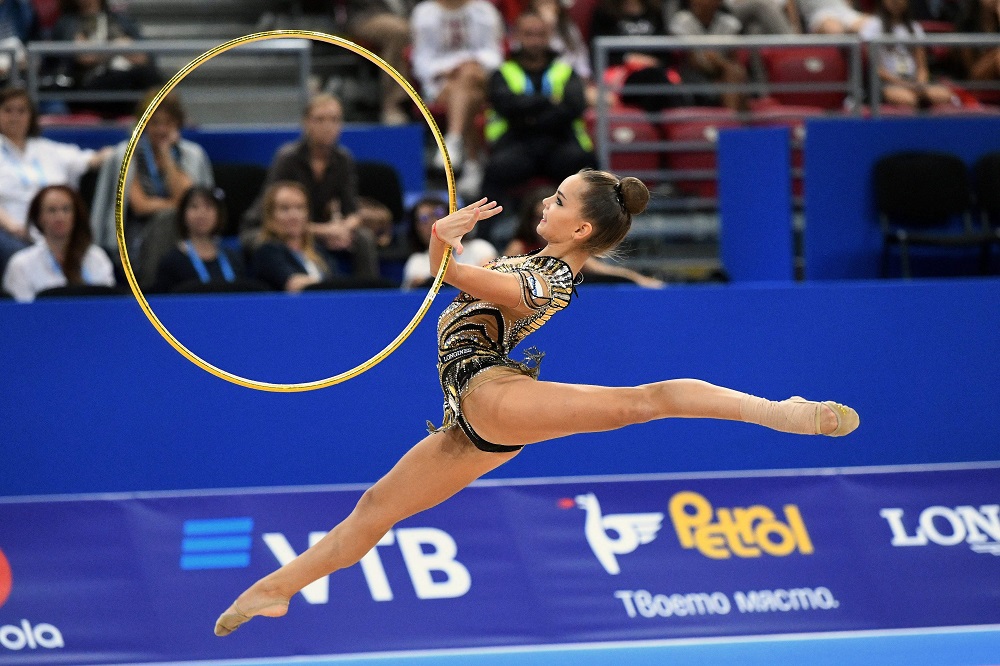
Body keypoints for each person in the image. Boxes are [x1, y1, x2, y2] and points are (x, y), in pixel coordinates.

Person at [212, 168, 860, 635]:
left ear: (580, 225)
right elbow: (455, 273)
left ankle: (784, 412)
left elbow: (477, 283)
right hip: (470, 425)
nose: (544, 203)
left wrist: (443, 242)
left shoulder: (547, 275)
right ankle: (276, 589)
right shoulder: (539, 262)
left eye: (557, 199)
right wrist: (443, 243)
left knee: (647, 400)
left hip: (494, 395)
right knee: (377, 507)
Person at [241, 93, 381, 282]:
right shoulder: (287, 158)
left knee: (363, 237)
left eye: (334, 120)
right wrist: (326, 231)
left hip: (312, 227)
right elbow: (271, 213)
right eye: (320, 120)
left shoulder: (343, 159)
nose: (327, 126)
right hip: (271, 225)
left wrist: (341, 229)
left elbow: (353, 211)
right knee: (271, 241)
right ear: (306, 123)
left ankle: (368, 292)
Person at [89, 88, 214, 289]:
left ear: (177, 124)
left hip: (186, 234)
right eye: (155, 122)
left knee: (172, 220)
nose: (161, 129)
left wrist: (166, 156)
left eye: (168, 123)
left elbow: (190, 203)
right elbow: (140, 206)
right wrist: (174, 205)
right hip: (137, 233)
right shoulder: (128, 154)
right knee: (167, 218)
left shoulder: (191, 155)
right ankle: (152, 287)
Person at [482, 11, 597, 218]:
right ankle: (485, 238)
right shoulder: (502, 73)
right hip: (517, 144)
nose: (535, 41)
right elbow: (505, 105)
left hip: (559, 143)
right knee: (495, 169)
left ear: (548, 37)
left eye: (540, 35)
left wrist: (528, 116)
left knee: (587, 166)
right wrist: (548, 100)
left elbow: (573, 107)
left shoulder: (566, 71)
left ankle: (595, 230)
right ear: (516, 37)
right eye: (528, 34)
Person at [0, 86, 110, 277]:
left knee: (92, 254)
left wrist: (120, 151)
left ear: (31, 116)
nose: (15, 117)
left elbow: (92, 159)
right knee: (18, 256)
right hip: (13, 231)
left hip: (58, 227)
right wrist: (10, 225)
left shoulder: (48, 149)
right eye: (8, 110)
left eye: (21, 111)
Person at [410, 0, 505, 198]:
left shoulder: (484, 10)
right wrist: (446, 70)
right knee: (469, 94)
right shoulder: (424, 13)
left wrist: (470, 64)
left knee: (469, 76)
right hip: (442, 81)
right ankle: (473, 165)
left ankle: (452, 140)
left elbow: (495, 54)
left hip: (480, 75)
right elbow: (420, 59)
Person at [505, 185, 665, 287]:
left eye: (551, 217)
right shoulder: (519, 248)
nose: (544, 221)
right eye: (538, 217)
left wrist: (640, 280)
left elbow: (602, 270)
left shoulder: (569, 247)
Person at [2, 184, 114, 301]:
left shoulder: (97, 257)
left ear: (76, 216)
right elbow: (20, 313)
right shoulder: (21, 264)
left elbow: (109, 304)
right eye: (52, 210)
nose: (60, 217)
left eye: (66, 209)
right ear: (39, 217)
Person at [50, 0, 161, 117]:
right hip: (87, 86)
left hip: (125, 81)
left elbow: (143, 57)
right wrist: (117, 47)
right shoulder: (68, 23)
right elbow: (85, 57)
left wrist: (98, 50)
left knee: (149, 76)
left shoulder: (121, 20)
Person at [151, 185, 249, 293]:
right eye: (194, 207)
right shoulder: (171, 261)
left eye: (209, 207)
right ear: (183, 214)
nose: (202, 214)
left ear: (219, 213)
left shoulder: (233, 258)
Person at [859, 0, 956, 109]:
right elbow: (876, 68)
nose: (895, 2)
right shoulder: (873, 26)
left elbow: (922, 66)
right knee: (907, 100)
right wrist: (903, 84)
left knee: (943, 96)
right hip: (886, 84)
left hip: (913, 81)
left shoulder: (914, 28)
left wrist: (920, 83)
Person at [251, 181, 332, 293]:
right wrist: (331, 288)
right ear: (270, 215)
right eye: (285, 208)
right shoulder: (268, 251)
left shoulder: (319, 251)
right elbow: (294, 284)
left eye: (300, 208)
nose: (294, 215)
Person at [401, 194, 497, 289]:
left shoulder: (480, 247)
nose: (433, 222)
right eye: (424, 219)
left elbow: (492, 280)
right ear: (416, 228)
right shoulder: (416, 261)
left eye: (438, 213)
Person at [669, 0, 750, 111]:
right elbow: (692, 61)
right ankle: (737, 123)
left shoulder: (729, 23)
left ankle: (733, 121)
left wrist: (719, 62)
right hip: (693, 75)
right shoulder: (682, 21)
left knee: (735, 75)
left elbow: (734, 58)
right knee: (733, 77)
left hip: (723, 73)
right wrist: (720, 64)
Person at [796, 0, 869, 33]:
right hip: (819, 13)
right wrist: (797, 31)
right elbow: (791, 6)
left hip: (842, 9)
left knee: (873, 24)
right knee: (835, 29)